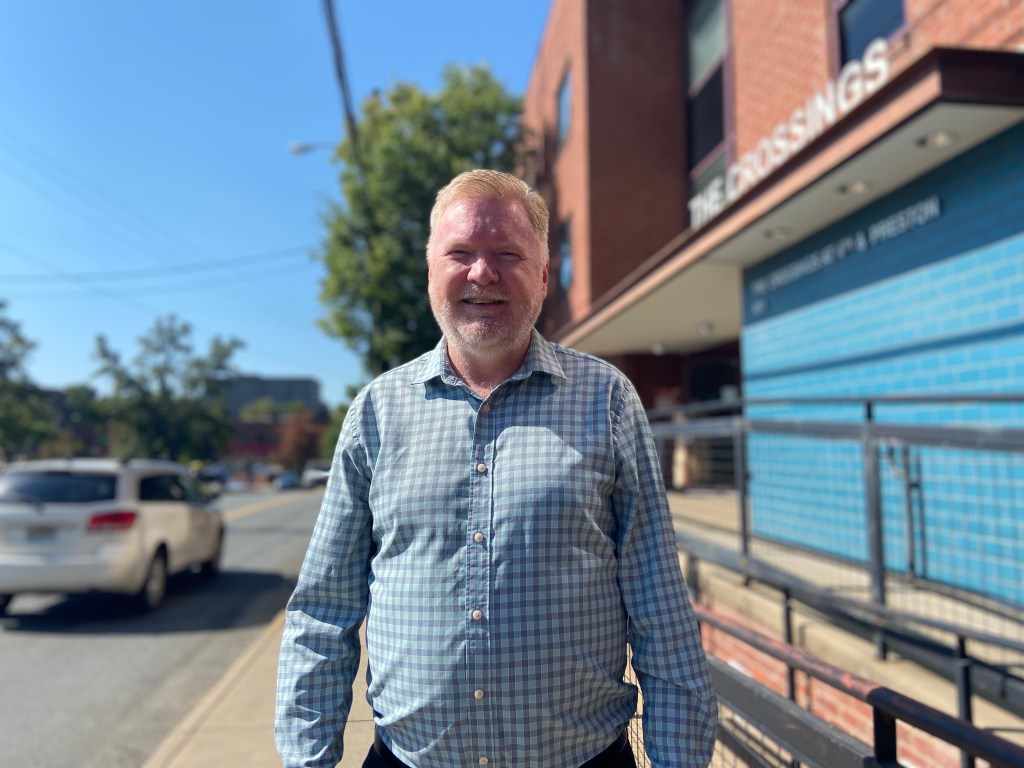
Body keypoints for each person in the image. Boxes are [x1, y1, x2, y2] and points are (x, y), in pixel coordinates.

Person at [275, 169, 718, 768]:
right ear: (430, 272)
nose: (482, 273)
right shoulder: (375, 413)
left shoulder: (607, 400)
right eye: (460, 254)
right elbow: (324, 611)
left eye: (507, 254)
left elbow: (659, 606)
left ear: (541, 275)